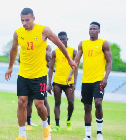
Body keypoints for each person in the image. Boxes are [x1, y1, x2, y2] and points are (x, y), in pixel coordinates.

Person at [5, 8, 77, 140]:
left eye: (27, 20)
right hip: (23, 74)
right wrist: (10, 67)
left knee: (39, 105)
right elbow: (14, 49)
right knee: (21, 102)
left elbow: (59, 43)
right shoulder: (18, 33)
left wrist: (69, 59)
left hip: (39, 76)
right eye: (22, 20)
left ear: (33, 18)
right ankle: (22, 135)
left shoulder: (44, 30)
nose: (24, 23)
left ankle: (46, 127)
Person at [67, 22, 112, 140]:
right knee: (87, 107)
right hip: (86, 81)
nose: (92, 31)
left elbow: (109, 62)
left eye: (94, 29)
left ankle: (99, 133)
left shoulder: (104, 44)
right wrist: (70, 75)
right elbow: (76, 61)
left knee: (98, 103)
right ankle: (87, 135)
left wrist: (105, 77)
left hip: (99, 80)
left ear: (99, 31)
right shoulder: (83, 44)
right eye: (90, 29)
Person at [47, 31, 77, 132]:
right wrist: (49, 83)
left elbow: (75, 68)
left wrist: (75, 83)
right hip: (58, 81)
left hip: (69, 82)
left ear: (67, 39)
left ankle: (68, 119)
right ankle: (57, 125)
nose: (62, 41)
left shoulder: (73, 51)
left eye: (64, 39)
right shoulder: (55, 52)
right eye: (60, 39)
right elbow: (51, 68)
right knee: (57, 102)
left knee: (71, 102)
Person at [26, 45, 52, 132]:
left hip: (41, 80)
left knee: (44, 101)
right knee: (29, 101)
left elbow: (49, 63)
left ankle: (48, 124)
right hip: (29, 78)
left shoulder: (46, 48)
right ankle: (28, 123)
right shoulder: (32, 48)